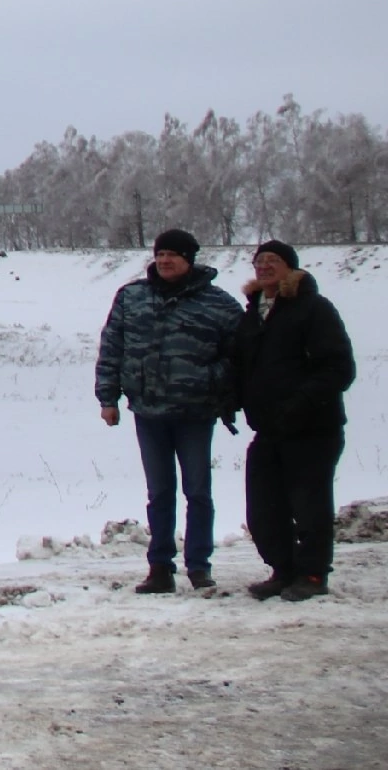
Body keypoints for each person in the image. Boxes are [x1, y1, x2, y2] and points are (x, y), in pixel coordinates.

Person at [94, 227, 242, 592]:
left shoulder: (218, 304)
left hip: (195, 413)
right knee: (159, 493)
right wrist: (108, 398)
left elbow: (241, 354)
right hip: (148, 411)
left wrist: (211, 380)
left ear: (189, 260)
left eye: (172, 255)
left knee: (198, 492)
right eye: (159, 255)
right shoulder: (132, 298)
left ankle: (199, 566)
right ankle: (160, 568)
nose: (164, 261)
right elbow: (112, 347)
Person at [228, 240, 357, 601]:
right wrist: (231, 399)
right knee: (263, 509)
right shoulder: (253, 315)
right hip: (269, 428)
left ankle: (313, 575)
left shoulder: (314, 309)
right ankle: (283, 571)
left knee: (309, 506)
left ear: (291, 268)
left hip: (313, 428)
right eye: (259, 261)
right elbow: (241, 365)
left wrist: (301, 403)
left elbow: (338, 368)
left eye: (273, 260)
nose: (265, 266)